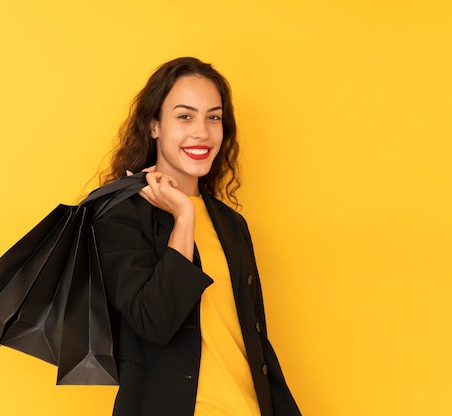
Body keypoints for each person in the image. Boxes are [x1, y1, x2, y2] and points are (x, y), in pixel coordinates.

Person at [93, 57, 301, 416]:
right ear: (155, 125)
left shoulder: (231, 224)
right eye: (185, 116)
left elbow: (253, 339)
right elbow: (154, 322)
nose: (202, 132)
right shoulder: (120, 215)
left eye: (213, 117)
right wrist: (183, 216)